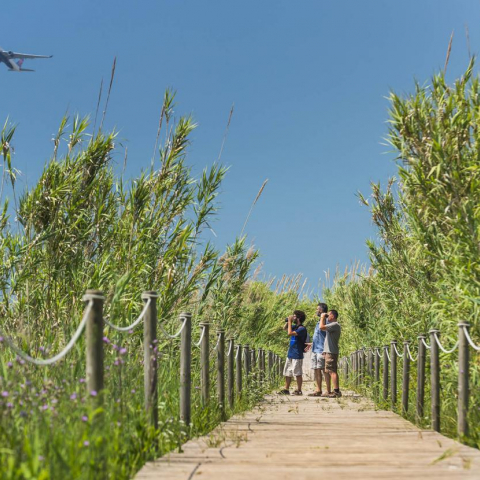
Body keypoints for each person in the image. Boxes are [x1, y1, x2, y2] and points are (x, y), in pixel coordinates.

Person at [278, 310, 307, 395]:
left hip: (297, 353)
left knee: (297, 373)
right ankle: (286, 389)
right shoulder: (295, 326)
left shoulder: (302, 329)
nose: (293, 317)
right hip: (290, 353)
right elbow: (285, 329)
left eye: (294, 316)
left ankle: (299, 390)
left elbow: (290, 333)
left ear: (298, 318)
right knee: (288, 372)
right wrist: (288, 321)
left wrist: (290, 321)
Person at [306, 302, 331, 397]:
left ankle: (328, 390)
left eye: (317, 309)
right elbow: (320, 336)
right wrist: (312, 344)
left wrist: (325, 350)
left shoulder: (326, 321)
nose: (316, 311)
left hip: (322, 350)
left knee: (325, 370)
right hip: (315, 350)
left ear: (321, 310)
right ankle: (318, 390)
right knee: (316, 369)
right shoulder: (318, 322)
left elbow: (326, 335)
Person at [320, 309, 342, 398]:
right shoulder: (332, 325)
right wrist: (324, 351)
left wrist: (322, 317)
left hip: (331, 351)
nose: (327, 316)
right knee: (329, 371)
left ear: (332, 316)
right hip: (329, 351)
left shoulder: (335, 325)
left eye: (328, 315)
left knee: (332, 371)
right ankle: (332, 391)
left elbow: (321, 327)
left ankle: (336, 391)